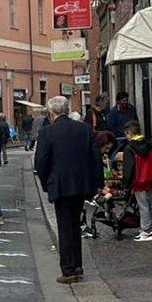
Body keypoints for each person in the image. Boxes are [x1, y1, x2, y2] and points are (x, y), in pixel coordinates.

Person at [35, 96, 102, 284]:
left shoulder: (47, 132)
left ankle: (69, 270)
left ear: (51, 113)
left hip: (60, 185)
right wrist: (97, 182)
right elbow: (95, 156)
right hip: (81, 184)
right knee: (75, 224)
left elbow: (41, 161)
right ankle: (77, 264)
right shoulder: (84, 129)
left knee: (65, 227)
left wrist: (46, 182)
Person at [122, 119, 152, 242]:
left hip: (139, 182)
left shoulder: (129, 148)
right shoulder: (151, 145)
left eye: (126, 134)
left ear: (130, 133)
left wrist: (126, 184)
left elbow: (128, 169)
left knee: (143, 206)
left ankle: (146, 230)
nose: (126, 137)